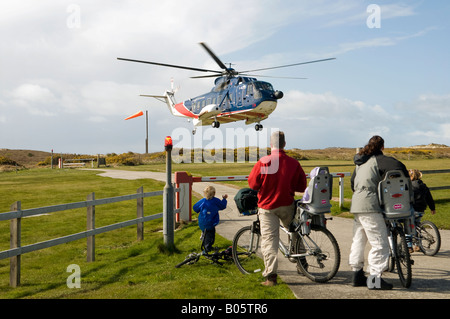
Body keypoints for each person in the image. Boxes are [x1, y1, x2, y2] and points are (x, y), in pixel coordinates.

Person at [349, 135, 408, 290]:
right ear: (382, 147)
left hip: (357, 204)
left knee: (359, 240)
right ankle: (374, 280)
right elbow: (399, 167)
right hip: (370, 206)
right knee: (380, 244)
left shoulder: (360, 163)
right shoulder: (379, 160)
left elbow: (352, 183)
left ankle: (357, 275)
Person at [248, 131, 307, 286]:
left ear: (270, 144)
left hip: (267, 207)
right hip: (287, 204)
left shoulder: (263, 162)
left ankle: (271, 277)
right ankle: (302, 264)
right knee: (295, 232)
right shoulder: (294, 163)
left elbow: (253, 185)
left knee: (269, 240)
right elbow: (301, 186)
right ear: (284, 144)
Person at [193, 186, 228, 254]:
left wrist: (200, 210)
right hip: (211, 222)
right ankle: (207, 248)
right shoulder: (215, 201)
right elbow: (222, 206)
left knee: (206, 233)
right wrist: (224, 199)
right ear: (214, 193)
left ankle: (204, 241)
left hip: (202, 222)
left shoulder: (202, 201)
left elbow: (195, 208)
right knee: (210, 235)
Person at [408, 169, 436, 252]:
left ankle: (409, 246)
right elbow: (429, 198)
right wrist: (432, 208)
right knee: (416, 226)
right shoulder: (423, 185)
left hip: (412, 209)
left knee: (409, 226)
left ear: (412, 177)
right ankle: (417, 245)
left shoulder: (410, 186)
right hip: (421, 209)